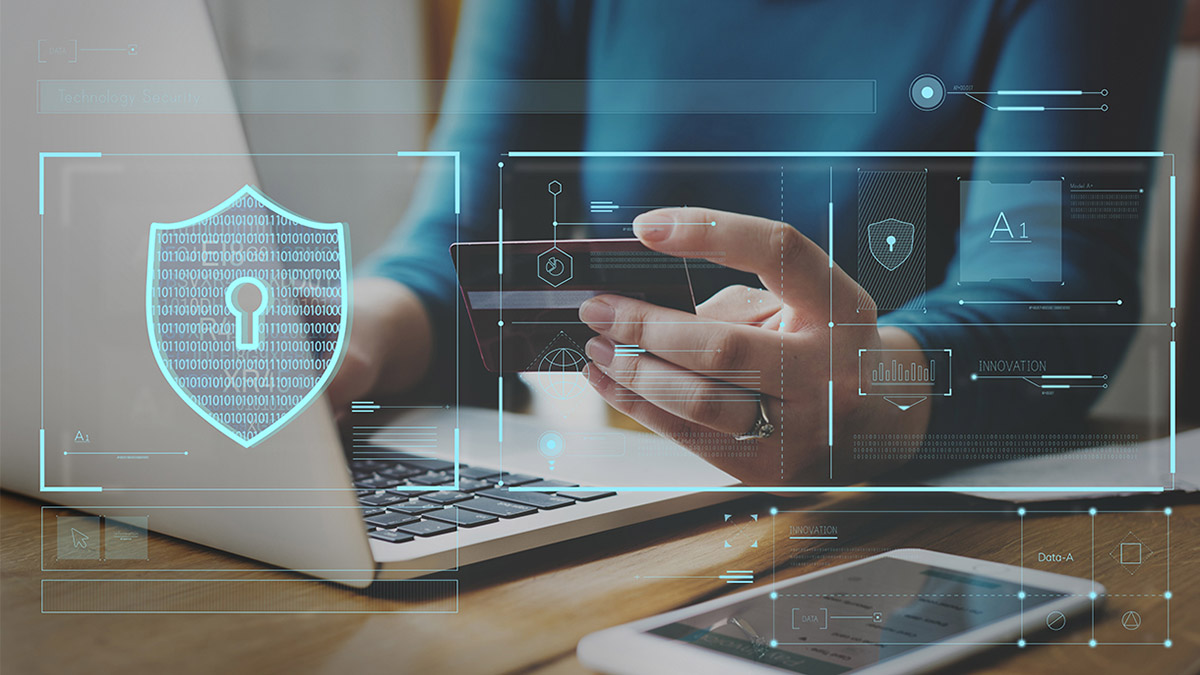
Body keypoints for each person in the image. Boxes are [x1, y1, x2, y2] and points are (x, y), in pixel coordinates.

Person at [329, 0, 1180, 484]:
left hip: (908, 523)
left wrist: (874, 388)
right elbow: (463, 252)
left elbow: (1054, 289)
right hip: (616, 487)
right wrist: (343, 333)